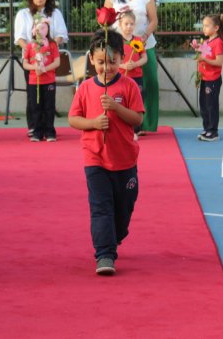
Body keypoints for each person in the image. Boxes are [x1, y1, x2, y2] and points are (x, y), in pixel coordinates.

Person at [68, 29, 144, 275]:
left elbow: (138, 120)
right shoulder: (86, 88)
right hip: (95, 159)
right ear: (91, 59)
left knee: (124, 207)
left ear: (122, 58)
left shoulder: (129, 86)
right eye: (101, 62)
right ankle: (104, 254)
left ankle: (116, 234)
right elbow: (73, 119)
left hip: (125, 160)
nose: (107, 67)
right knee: (101, 207)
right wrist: (92, 123)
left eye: (112, 61)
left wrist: (115, 109)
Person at [104, 0, 158, 134]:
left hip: (143, 44)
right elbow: (104, 18)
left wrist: (144, 37)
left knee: (149, 83)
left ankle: (147, 124)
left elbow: (154, 21)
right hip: (119, 46)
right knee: (119, 84)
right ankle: (122, 122)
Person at [14, 0, 68, 136]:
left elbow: (61, 35)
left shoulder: (55, 13)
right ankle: (34, 127)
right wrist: (33, 50)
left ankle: (48, 128)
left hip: (50, 61)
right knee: (33, 95)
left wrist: (46, 49)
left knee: (47, 96)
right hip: (31, 60)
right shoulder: (23, 14)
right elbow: (19, 38)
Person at [197, 14, 223, 142]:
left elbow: (218, 62)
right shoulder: (206, 41)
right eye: (203, 26)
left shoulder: (218, 42)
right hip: (204, 78)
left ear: (216, 28)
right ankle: (207, 128)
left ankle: (213, 131)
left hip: (213, 79)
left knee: (211, 105)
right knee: (203, 104)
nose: (204, 28)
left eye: (207, 26)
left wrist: (204, 59)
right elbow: (202, 59)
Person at [23, 17, 60, 142]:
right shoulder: (30, 45)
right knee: (36, 106)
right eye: (37, 28)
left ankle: (50, 132)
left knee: (49, 107)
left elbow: (57, 62)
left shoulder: (52, 44)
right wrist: (34, 67)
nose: (40, 31)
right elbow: (25, 63)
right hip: (34, 81)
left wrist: (46, 68)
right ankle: (37, 132)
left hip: (49, 80)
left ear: (48, 29)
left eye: (43, 28)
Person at [118, 11, 147, 138]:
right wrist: (121, 65)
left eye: (131, 24)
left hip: (136, 76)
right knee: (122, 102)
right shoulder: (117, 41)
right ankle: (122, 128)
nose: (129, 26)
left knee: (137, 101)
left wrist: (135, 65)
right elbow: (111, 59)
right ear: (120, 24)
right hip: (122, 76)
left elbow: (144, 58)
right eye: (126, 24)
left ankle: (137, 128)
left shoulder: (138, 40)